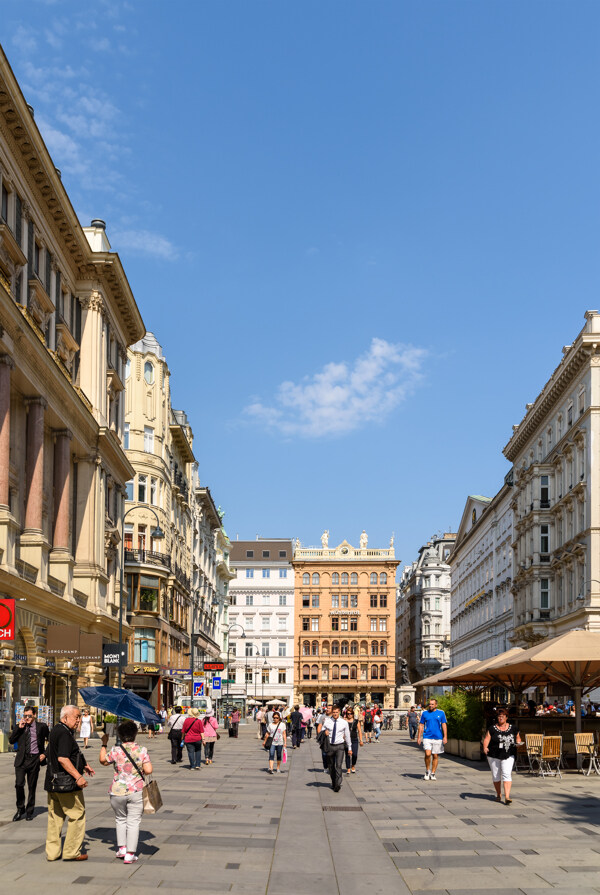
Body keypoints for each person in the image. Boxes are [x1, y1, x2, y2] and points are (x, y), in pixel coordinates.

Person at [45, 704, 95, 862]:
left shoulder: (56, 730)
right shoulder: (65, 733)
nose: (79, 720)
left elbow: (55, 753)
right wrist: (78, 776)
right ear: (65, 718)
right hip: (66, 784)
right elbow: (63, 758)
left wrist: (83, 764)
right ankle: (72, 851)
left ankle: (52, 853)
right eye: (76, 717)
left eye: (80, 717)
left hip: (52, 782)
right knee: (77, 815)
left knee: (55, 818)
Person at [99, 719, 152, 864]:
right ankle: (130, 854)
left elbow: (103, 761)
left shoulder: (116, 750)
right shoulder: (141, 750)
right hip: (136, 790)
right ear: (135, 734)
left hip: (117, 791)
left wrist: (104, 743)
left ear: (120, 735)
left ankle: (122, 848)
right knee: (133, 822)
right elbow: (148, 770)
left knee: (120, 819)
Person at [9, 704, 49, 821]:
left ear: (35, 715)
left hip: (34, 759)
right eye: (25, 716)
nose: (27, 718)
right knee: (19, 784)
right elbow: (11, 740)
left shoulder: (42, 727)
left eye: (29, 716)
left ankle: (30, 810)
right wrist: (19, 728)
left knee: (32, 786)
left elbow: (51, 740)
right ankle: (20, 808)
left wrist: (44, 754)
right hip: (21, 760)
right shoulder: (20, 727)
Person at [482, 707, 522, 805]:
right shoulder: (492, 728)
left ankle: (507, 796)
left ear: (506, 717)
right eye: (499, 716)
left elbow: (518, 738)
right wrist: (485, 747)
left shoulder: (513, 728)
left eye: (503, 716)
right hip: (493, 754)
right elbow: (487, 739)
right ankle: (499, 794)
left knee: (506, 774)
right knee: (496, 776)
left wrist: (518, 743)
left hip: (508, 754)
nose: (500, 718)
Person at [321, 705, 352, 792]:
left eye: (336, 712)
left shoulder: (344, 722)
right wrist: (324, 732)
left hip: (340, 746)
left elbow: (347, 736)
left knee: (338, 765)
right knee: (331, 766)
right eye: (333, 712)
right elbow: (321, 733)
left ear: (339, 712)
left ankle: (338, 784)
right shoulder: (327, 722)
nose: (335, 714)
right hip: (330, 746)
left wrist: (349, 747)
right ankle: (334, 781)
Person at [417, 697, 447, 781]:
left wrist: (445, 736)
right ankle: (427, 771)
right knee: (427, 754)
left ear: (436, 705)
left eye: (432, 704)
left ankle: (433, 773)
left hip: (438, 737)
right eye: (429, 704)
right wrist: (419, 737)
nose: (430, 705)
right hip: (427, 736)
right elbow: (421, 725)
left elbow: (444, 724)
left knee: (435, 755)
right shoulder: (425, 713)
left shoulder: (441, 713)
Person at [344, 706, 363, 775]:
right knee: (348, 754)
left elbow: (360, 731)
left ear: (353, 714)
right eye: (348, 713)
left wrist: (361, 740)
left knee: (354, 754)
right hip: (346, 740)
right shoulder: (344, 721)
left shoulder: (356, 721)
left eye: (351, 713)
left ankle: (353, 765)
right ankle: (348, 768)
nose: (349, 715)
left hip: (354, 739)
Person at [316, 704, 333, 771]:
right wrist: (319, 736)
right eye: (327, 708)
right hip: (324, 737)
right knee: (324, 754)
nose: (327, 709)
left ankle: (331, 766)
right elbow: (319, 726)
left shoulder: (335, 716)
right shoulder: (323, 717)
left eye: (329, 708)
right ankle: (325, 766)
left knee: (331, 753)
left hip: (332, 737)